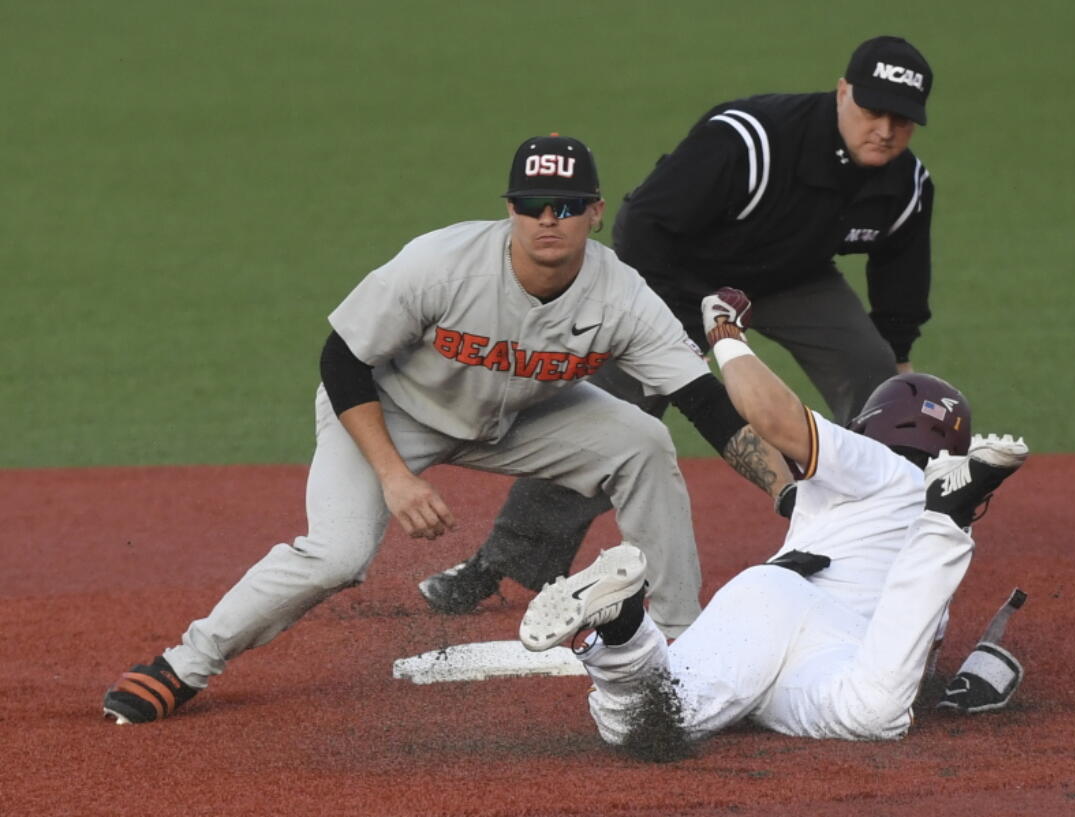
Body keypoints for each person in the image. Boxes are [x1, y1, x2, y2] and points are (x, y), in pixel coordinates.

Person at [101, 135, 786, 725]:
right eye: (533, 205)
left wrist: (789, 490)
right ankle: (185, 662)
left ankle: (679, 644)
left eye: (569, 206)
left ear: (597, 212)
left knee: (643, 440)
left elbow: (703, 401)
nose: (550, 220)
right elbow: (343, 358)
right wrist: (393, 475)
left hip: (519, 417)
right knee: (336, 555)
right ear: (509, 209)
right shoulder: (442, 263)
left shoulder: (622, 295)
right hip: (388, 408)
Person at [421, 35, 940, 617]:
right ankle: (507, 559)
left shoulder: (906, 186)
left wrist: (897, 361)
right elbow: (642, 223)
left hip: (794, 281)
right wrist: (673, 326)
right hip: (679, 278)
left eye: (903, 120)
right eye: (873, 111)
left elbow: (899, 275)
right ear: (842, 92)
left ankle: (881, 540)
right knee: (610, 413)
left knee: (879, 383)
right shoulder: (749, 140)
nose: (886, 130)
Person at [517, 287, 1030, 749]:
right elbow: (774, 418)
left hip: (793, 627)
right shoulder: (885, 470)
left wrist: (726, 331)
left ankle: (626, 628)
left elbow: (784, 462)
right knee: (877, 709)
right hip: (791, 612)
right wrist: (726, 339)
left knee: (652, 720)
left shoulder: (865, 483)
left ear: (871, 423)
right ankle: (948, 522)